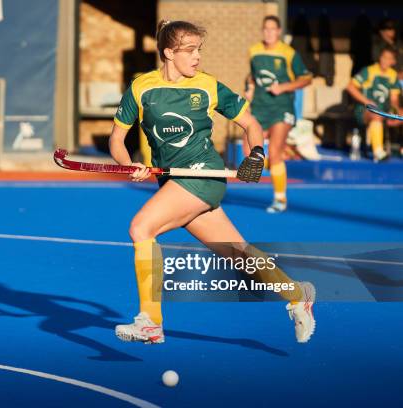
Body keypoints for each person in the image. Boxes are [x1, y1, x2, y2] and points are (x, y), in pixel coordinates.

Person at [109, 20, 316, 345]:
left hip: (203, 173)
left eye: (198, 50)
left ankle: (151, 320)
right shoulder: (140, 88)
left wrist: (257, 155)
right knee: (240, 255)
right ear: (168, 52)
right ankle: (297, 294)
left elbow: (250, 123)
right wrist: (127, 165)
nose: (197, 57)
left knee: (141, 229)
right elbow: (117, 139)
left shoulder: (207, 86)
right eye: (189, 50)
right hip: (175, 183)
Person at [245, 15, 312, 213]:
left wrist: (283, 87)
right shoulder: (254, 51)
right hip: (259, 107)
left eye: (272, 29)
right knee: (250, 154)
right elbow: (252, 75)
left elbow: (306, 79)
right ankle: (276, 167)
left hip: (282, 107)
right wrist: (249, 87)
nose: (268, 32)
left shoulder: (289, 53)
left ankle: (280, 198)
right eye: (265, 29)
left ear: (279, 31)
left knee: (274, 152)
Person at [346, 46, 402, 162]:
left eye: (389, 58)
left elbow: (394, 98)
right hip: (364, 110)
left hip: (384, 111)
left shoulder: (393, 75)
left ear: (393, 61)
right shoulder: (369, 71)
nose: (385, 61)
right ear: (379, 58)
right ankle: (378, 152)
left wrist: (394, 109)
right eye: (383, 57)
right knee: (376, 114)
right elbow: (350, 87)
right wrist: (367, 101)